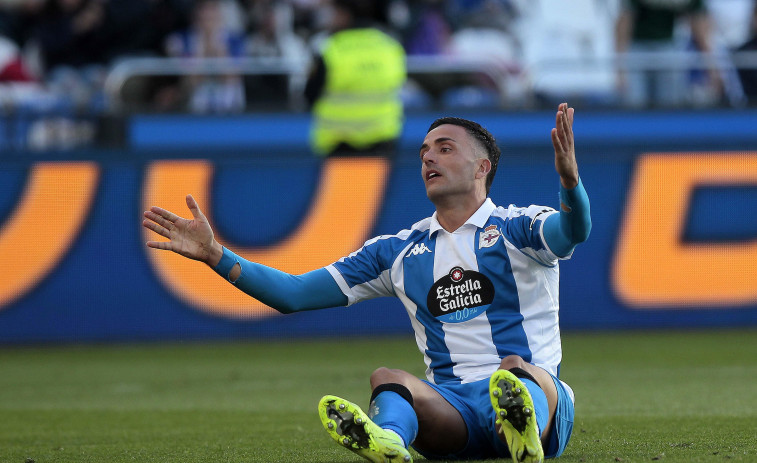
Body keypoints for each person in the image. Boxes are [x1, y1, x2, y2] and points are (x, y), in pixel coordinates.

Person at [142, 102, 591, 463]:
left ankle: (521, 426)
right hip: (455, 414)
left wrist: (571, 185)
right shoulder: (395, 251)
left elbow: (572, 231)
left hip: (544, 402)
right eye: (424, 152)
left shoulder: (518, 228)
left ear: (482, 168)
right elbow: (293, 294)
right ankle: (390, 441)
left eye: (445, 148)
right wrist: (216, 255)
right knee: (387, 377)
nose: (429, 157)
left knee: (514, 370)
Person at [305, 0, 405, 157]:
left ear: (345, 15)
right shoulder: (389, 46)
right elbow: (397, 85)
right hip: (382, 141)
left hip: (338, 143)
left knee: (344, 183)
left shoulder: (329, 48)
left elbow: (310, 95)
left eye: (334, 13)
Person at [614, 0, 723, 108]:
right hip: (637, 49)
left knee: (669, 105)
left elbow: (699, 26)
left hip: (668, 47)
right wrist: (621, 69)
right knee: (635, 104)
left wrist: (711, 67)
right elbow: (624, 22)